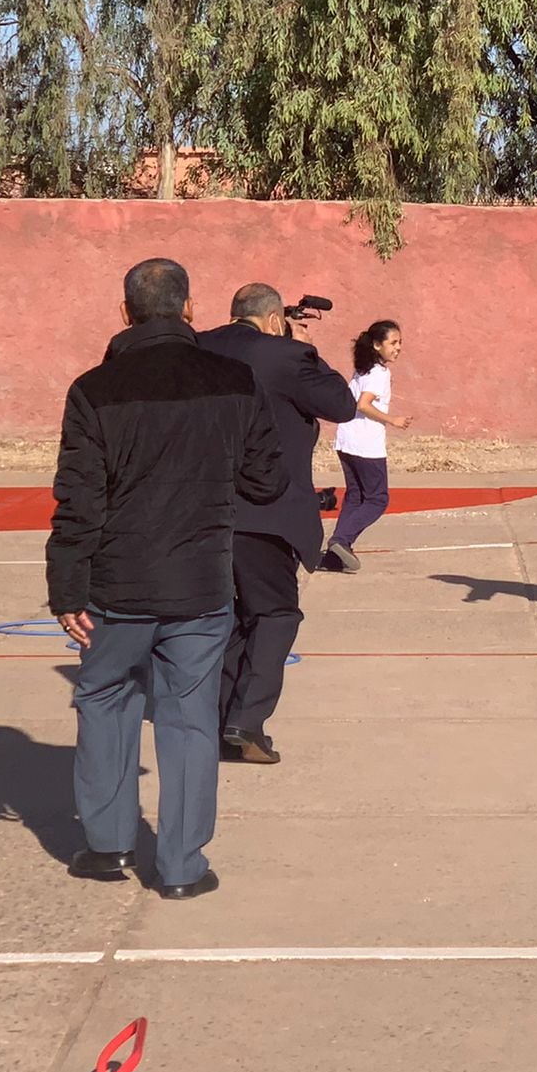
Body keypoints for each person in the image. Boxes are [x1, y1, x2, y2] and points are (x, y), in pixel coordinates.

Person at [46, 259, 286, 900]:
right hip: (201, 584)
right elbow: (268, 477)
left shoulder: (95, 389)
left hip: (115, 586)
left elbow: (79, 500)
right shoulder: (233, 380)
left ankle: (107, 847)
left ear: (125, 312)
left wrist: (66, 588)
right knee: (187, 718)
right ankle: (181, 867)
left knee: (104, 703)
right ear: (188, 308)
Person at [199, 284, 356, 764]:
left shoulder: (199, 345)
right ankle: (245, 723)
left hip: (203, 508)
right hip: (266, 509)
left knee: (231, 620)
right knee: (275, 615)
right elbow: (341, 405)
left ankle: (219, 720)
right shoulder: (287, 354)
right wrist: (302, 344)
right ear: (273, 320)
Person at [327, 320, 411, 572]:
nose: (398, 348)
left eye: (400, 343)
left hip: (346, 439)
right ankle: (341, 540)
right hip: (365, 444)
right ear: (377, 345)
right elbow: (364, 404)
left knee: (355, 496)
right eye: (393, 343)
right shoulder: (379, 373)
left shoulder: (364, 369)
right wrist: (392, 420)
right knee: (377, 499)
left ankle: (336, 555)